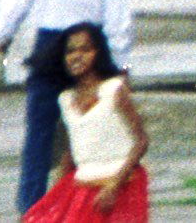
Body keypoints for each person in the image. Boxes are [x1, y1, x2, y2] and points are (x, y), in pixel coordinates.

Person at [0, 0, 134, 215]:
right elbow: (118, 19)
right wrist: (121, 64)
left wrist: (3, 35)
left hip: (50, 46)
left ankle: (31, 206)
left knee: (40, 129)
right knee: (93, 130)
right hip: (91, 46)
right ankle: (84, 204)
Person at [18, 23, 147, 223]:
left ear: (98, 53)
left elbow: (141, 141)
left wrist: (114, 185)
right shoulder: (66, 99)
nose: (77, 56)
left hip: (123, 185)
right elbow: (71, 151)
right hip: (83, 184)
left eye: (85, 49)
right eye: (70, 51)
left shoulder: (114, 90)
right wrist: (57, 199)